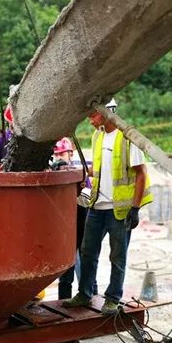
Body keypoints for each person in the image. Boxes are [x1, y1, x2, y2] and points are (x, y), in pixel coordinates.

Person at [62, 99, 153, 315]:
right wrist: (78, 172)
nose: (90, 120)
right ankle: (84, 294)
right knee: (87, 251)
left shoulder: (128, 136)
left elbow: (141, 174)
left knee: (117, 255)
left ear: (106, 113)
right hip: (97, 205)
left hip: (119, 209)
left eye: (93, 115)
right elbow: (100, 168)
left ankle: (112, 298)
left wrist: (135, 208)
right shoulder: (98, 136)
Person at [53, 137, 98, 299]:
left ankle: (92, 296)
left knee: (85, 262)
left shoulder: (79, 174)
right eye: (56, 155)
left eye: (62, 154)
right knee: (65, 270)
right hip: (64, 231)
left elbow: (86, 199)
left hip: (80, 225)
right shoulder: (52, 174)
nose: (59, 157)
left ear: (71, 154)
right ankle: (63, 300)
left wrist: (72, 192)